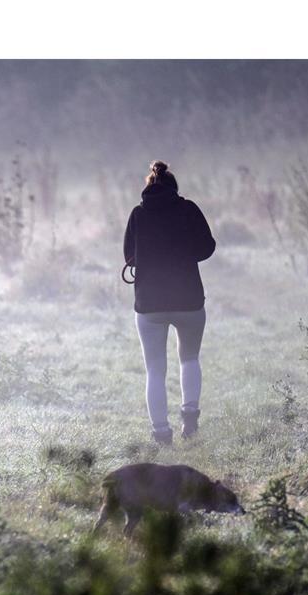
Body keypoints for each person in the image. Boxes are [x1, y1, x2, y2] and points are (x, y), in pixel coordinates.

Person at [123, 160, 216, 445]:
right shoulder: (188, 209)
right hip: (188, 299)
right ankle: (190, 419)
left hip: (149, 303)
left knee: (155, 370)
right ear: (174, 188)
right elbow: (207, 247)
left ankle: (161, 433)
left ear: (148, 187)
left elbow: (129, 256)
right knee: (189, 359)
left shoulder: (138, 214)